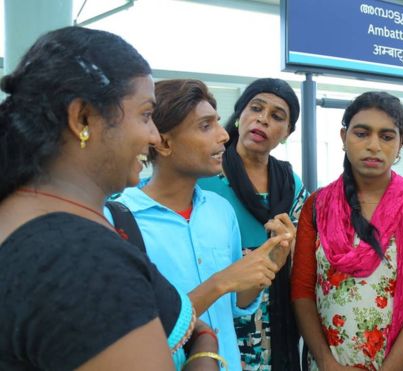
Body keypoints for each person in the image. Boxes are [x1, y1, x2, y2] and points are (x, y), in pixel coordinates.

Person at [0, 26, 219, 371]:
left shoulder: (21, 214)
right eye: (146, 115)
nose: (153, 134)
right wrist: (206, 350)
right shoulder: (79, 261)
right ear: (82, 118)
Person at [112, 79, 294, 371]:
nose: (224, 136)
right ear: (165, 142)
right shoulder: (121, 219)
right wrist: (221, 282)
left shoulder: (220, 212)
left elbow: (235, 304)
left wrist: (266, 267)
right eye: (206, 126)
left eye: (219, 123)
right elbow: (137, 333)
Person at [291, 91, 403, 370]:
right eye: (362, 134)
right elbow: (302, 292)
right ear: (343, 138)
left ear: (400, 145)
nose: (374, 145)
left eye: (387, 137)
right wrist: (327, 363)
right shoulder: (317, 206)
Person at [198, 77, 307, 370]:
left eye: (276, 116)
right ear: (239, 115)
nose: (263, 119)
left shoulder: (290, 183)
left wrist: (289, 243)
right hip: (219, 307)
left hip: (275, 313)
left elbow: (305, 250)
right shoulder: (206, 175)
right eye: (256, 108)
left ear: (287, 132)